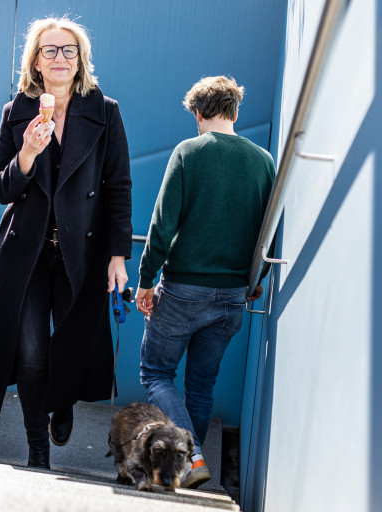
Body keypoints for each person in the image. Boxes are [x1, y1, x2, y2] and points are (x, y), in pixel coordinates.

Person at [0, 16, 133, 469]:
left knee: (72, 346)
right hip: (27, 255)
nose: (60, 58)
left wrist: (118, 255)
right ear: (36, 60)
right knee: (32, 354)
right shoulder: (15, 111)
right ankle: (38, 449)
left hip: (83, 254)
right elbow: (0, 188)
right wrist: (27, 156)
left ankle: (63, 404)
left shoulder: (105, 110)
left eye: (68, 50)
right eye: (50, 50)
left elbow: (118, 186)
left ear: (81, 61)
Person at [135, 76, 274, 487]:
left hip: (183, 290)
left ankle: (190, 454)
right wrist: (255, 279)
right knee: (200, 386)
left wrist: (145, 280)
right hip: (233, 295)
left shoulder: (188, 153)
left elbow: (162, 225)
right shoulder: (264, 161)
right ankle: (185, 470)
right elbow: (268, 234)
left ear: (198, 113)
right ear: (235, 111)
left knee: (156, 374)